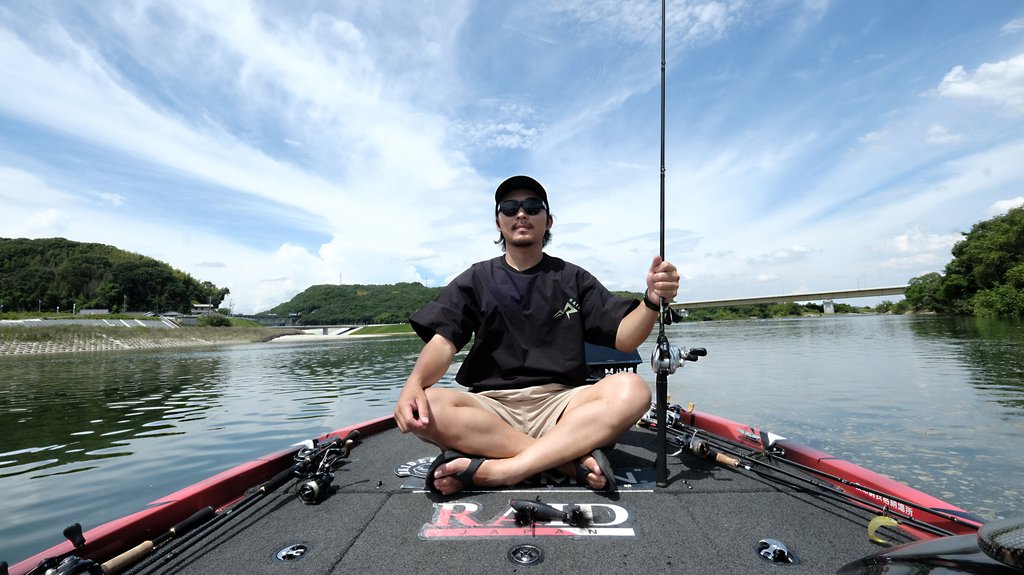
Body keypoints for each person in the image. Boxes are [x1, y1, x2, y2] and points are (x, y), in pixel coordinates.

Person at [394, 175, 680, 496]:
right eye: (510, 207)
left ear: (548, 220)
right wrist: (413, 384)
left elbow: (625, 338)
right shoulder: (477, 278)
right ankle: (565, 460)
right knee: (426, 404)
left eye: (532, 207)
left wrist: (652, 300)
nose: (521, 214)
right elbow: (443, 342)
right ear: (498, 222)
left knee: (633, 390)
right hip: (490, 407)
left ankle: (502, 469)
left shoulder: (572, 277)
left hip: (562, 404)